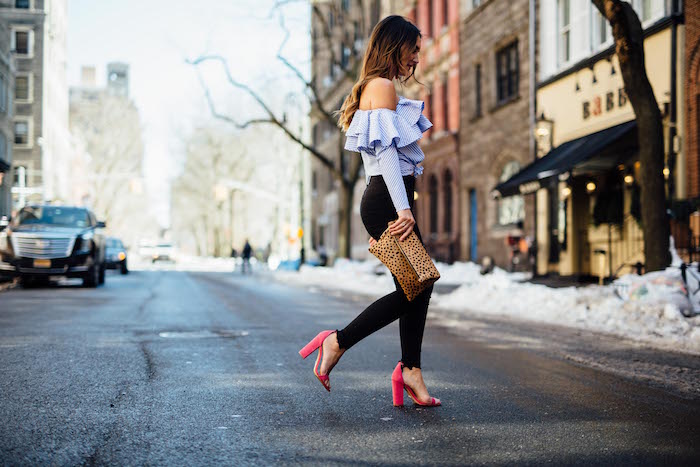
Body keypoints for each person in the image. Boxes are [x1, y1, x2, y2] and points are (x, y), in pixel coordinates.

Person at [299, 16, 440, 407]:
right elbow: (387, 154)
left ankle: (409, 369)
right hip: (387, 202)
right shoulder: (381, 87)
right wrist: (402, 208)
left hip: (385, 201)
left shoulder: (378, 88)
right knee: (418, 285)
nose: (416, 56)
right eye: (412, 47)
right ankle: (339, 342)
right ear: (394, 46)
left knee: (416, 286)